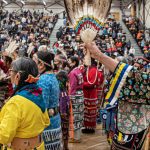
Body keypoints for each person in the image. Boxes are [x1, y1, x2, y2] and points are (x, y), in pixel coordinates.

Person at [81, 42, 150, 150]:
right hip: (121, 116)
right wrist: (99, 55)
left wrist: (99, 55)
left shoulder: (138, 80)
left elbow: (136, 79)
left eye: (138, 67)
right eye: (135, 67)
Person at [0, 57, 50, 150]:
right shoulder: (37, 95)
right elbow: (46, 122)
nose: (9, 74)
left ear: (18, 76)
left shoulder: (15, 103)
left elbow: (3, 136)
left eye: (11, 70)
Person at [33, 51, 62, 150]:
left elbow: (42, 105)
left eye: (34, 62)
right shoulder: (52, 76)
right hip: (55, 120)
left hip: (47, 124)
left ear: (41, 65)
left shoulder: (43, 80)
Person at [68, 56, 84, 143]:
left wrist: (71, 97)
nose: (68, 62)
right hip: (80, 94)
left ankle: (76, 138)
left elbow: (73, 86)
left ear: (74, 62)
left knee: (75, 116)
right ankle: (77, 136)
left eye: (70, 61)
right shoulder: (78, 71)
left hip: (75, 95)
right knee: (79, 115)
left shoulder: (73, 72)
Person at [81, 59, 99, 134]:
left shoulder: (93, 70)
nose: (83, 61)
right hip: (86, 93)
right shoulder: (88, 68)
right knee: (86, 110)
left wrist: (81, 84)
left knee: (90, 110)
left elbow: (91, 82)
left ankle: (90, 128)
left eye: (85, 60)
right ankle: (86, 126)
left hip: (90, 93)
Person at [56, 71, 70, 150]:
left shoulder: (62, 92)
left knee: (63, 133)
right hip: (65, 115)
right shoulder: (65, 91)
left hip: (62, 115)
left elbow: (62, 104)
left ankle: (65, 147)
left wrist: (62, 113)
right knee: (65, 132)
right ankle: (66, 146)